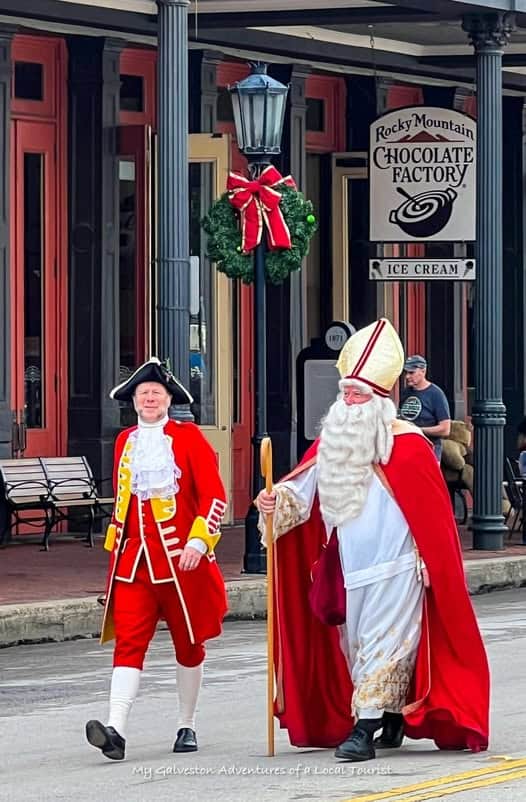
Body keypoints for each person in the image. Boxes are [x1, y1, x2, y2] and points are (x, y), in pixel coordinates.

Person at [256, 318, 489, 762]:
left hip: (399, 566)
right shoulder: (333, 440)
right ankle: (392, 716)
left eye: (359, 394)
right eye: (345, 393)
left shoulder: (410, 446)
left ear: (381, 400)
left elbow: (434, 517)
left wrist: (430, 561)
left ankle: (363, 729)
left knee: (384, 642)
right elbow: (300, 492)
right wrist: (275, 502)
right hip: (349, 567)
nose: (349, 401)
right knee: (356, 646)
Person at [85, 357, 228, 761]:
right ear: (133, 401)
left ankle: (187, 724)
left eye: (156, 393)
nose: (149, 398)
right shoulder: (124, 441)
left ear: (169, 400)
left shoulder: (188, 438)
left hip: (182, 562)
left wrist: (199, 542)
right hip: (134, 564)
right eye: (143, 393)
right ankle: (115, 730)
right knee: (128, 642)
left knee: (189, 644)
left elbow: (214, 496)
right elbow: (124, 506)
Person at [399, 355, 451, 462]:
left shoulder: (436, 394)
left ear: (423, 371)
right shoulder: (405, 393)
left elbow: (445, 429)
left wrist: (417, 430)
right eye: (406, 373)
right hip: (407, 449)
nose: (407, 376)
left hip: (429, 450)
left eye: (411, 372)